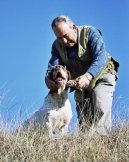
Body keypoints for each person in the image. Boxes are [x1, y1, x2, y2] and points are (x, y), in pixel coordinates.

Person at [45, 15, 119, 135]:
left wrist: (88, 76)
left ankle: (103, 143)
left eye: (65, 35)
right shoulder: (56, 46)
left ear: (73, 27)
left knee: (99, 102)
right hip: (79, 82)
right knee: (85, 120)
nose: (64, 41)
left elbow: (101, 56)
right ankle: (86, 146)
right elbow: (53, 65)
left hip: (102, 75)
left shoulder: (90, 32)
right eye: (59, 38)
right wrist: (48, 78)